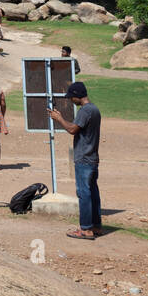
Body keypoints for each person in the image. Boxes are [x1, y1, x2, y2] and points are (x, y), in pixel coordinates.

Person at [49, 82, 101, 240]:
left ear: (78, 96)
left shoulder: (84, 111)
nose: (71, 100)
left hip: (83, 159)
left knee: (83, 193)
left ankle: (85, 229)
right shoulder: (95, 109)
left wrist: (59, 118)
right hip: (92, 157)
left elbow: (72, 129)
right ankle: (96, 226)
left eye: (72, 97)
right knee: (92, 193)